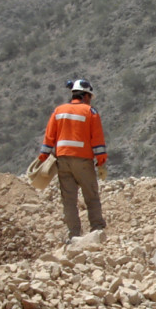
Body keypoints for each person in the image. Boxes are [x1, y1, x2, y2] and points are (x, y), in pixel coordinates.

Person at [38, 79, 107, 239]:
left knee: (69, 199)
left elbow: (49, 137)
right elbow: (97, 139)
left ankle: (73, 234)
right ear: (86, 96)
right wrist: (101, 159)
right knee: (91, 195)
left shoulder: (58, 111)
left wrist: (43, 156)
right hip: (83, 161)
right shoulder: (90, 112)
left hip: (62, 160)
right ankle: (97, 229)